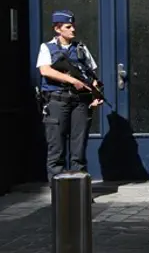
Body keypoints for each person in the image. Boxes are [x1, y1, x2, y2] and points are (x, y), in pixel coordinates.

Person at [36, 10, 103, 184]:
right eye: (68, 26)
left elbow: (92, 74)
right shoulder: (47, 47)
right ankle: (59, 193)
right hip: (57, 101)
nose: (73, 29)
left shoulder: (81, 48)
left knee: (78, 150)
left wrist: (96, 94)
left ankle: (79, 191)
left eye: (73, 25)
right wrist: (72, 80)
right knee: (56, 149)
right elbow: (45, 70)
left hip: (80, 102)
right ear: (58, 29)